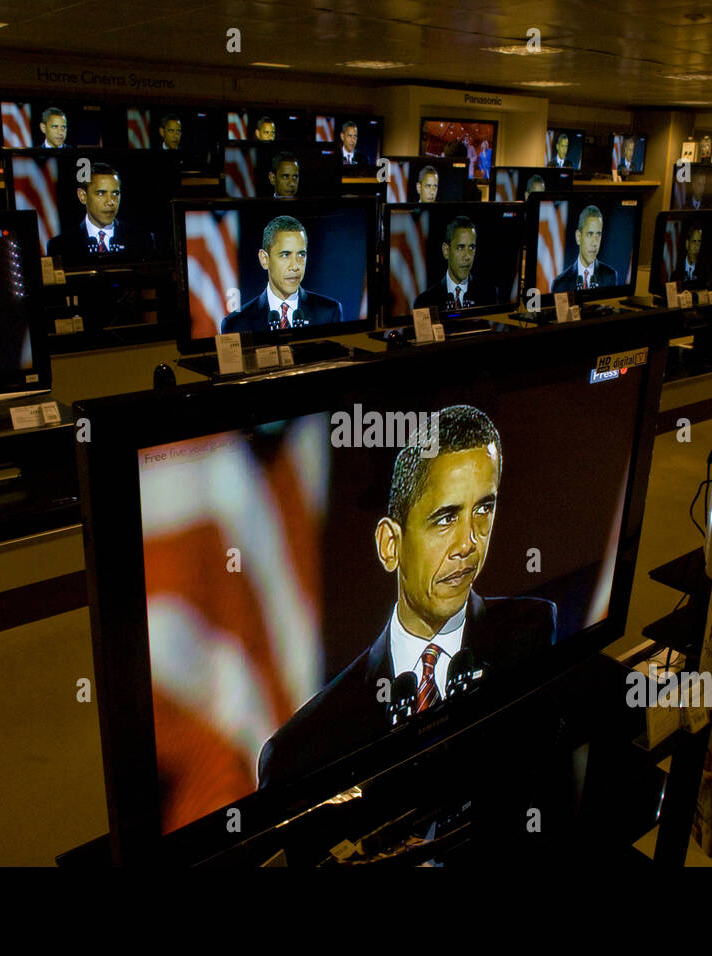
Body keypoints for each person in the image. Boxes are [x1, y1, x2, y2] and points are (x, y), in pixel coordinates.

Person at [257, 404, 558, 788]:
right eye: (446, 517)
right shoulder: (302, 745)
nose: (468, 543)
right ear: (390, 545)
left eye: (483, 509)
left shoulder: (533, 632)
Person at [221, 215, 342, 333]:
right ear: (264, 259)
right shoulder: (236, 324)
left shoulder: (329, 312)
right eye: (285, 255)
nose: (295, 266)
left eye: (301, 254)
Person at [45, 162, 156, 264]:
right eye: (101, 193)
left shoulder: (142, 239)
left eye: (115, 193)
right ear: (82, 196)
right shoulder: (59, 246)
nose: (110, 202)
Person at [413, 215, 499, 312]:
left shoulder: (489, 294)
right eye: (460, 247)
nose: (467, 256)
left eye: (471, 248)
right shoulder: (425, 302)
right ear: (446, 251)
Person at [551, 204, 618, 292]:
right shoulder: (560, 283)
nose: (594, 243)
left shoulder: (610, 276)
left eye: (598, 234)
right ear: (578, 237)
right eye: (590, 234)